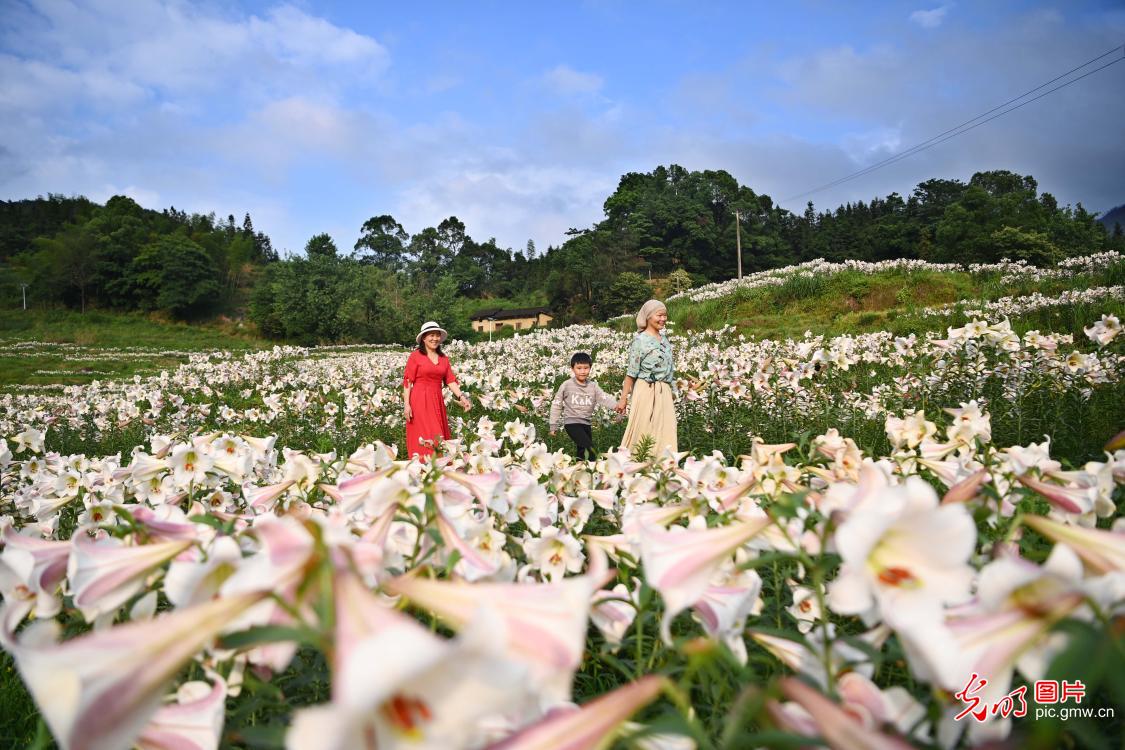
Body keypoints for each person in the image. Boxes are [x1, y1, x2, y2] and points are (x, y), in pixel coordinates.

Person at [617, 299, 678, 454]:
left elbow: (669, 369)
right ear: (648, 317)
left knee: (667, 431)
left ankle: (663, 469)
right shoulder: (640, 340)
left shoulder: (664, 339)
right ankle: (636, 469)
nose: (663, 319)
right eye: (659, 315)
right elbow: (631, 372)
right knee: (642, 431)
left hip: (664, 391)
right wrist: (624, 398)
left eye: (665, 315)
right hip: (645, 389)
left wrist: (674, 390)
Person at [403, 321, 471, 459]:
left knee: (438, 436)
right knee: (428, 435)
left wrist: (462, 397)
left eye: (437, 335)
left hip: (437, 400)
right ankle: (424, 467)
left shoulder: (443, 358)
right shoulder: (415, 356)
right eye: (431, 335)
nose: (435, 339)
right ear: (423, 338)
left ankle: (439, 469)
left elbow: (450, 380)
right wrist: (406, 404)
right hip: (419, 401)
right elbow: (408, 381)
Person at [549, 352, 623, 460]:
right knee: (590, 449)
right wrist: (553, 425)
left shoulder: (593, 386)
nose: (583, 371)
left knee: (582, 453)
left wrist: (618, 406)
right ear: (572, 369)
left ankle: (580, 472)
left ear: (590, 368)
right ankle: (595, 470)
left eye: (586, 368)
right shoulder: (566, 385)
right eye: (579, 368)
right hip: (572, 423)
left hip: (586, 423)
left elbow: (604, 398)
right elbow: (556, 404)